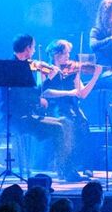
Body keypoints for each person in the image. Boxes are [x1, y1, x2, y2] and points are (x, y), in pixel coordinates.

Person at [6, 33, 72, 175]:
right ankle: (65, 170)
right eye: (33, 47)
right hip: (18, 118)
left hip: (27, 114)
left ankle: (65, 167)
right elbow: (28, 95)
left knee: (65, 122)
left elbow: (30, 93)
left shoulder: (24, 66)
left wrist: (37, 98)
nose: (34, 51)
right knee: (59, 128)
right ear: (27, 48)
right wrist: (48, 79)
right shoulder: (16, 68)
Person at [41, 38, 104, 180]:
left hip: (72, 106)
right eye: (65, 53)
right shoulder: (46, 70)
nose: (68, 56)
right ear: (56, 54)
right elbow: (44, 92)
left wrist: (95, 76)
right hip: (54, 106)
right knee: (68, 125)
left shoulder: (72, 70)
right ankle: (65, 168)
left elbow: (82, 94)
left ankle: (84, 165)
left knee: (83, 124)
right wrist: (69, 92)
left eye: (68, 53)